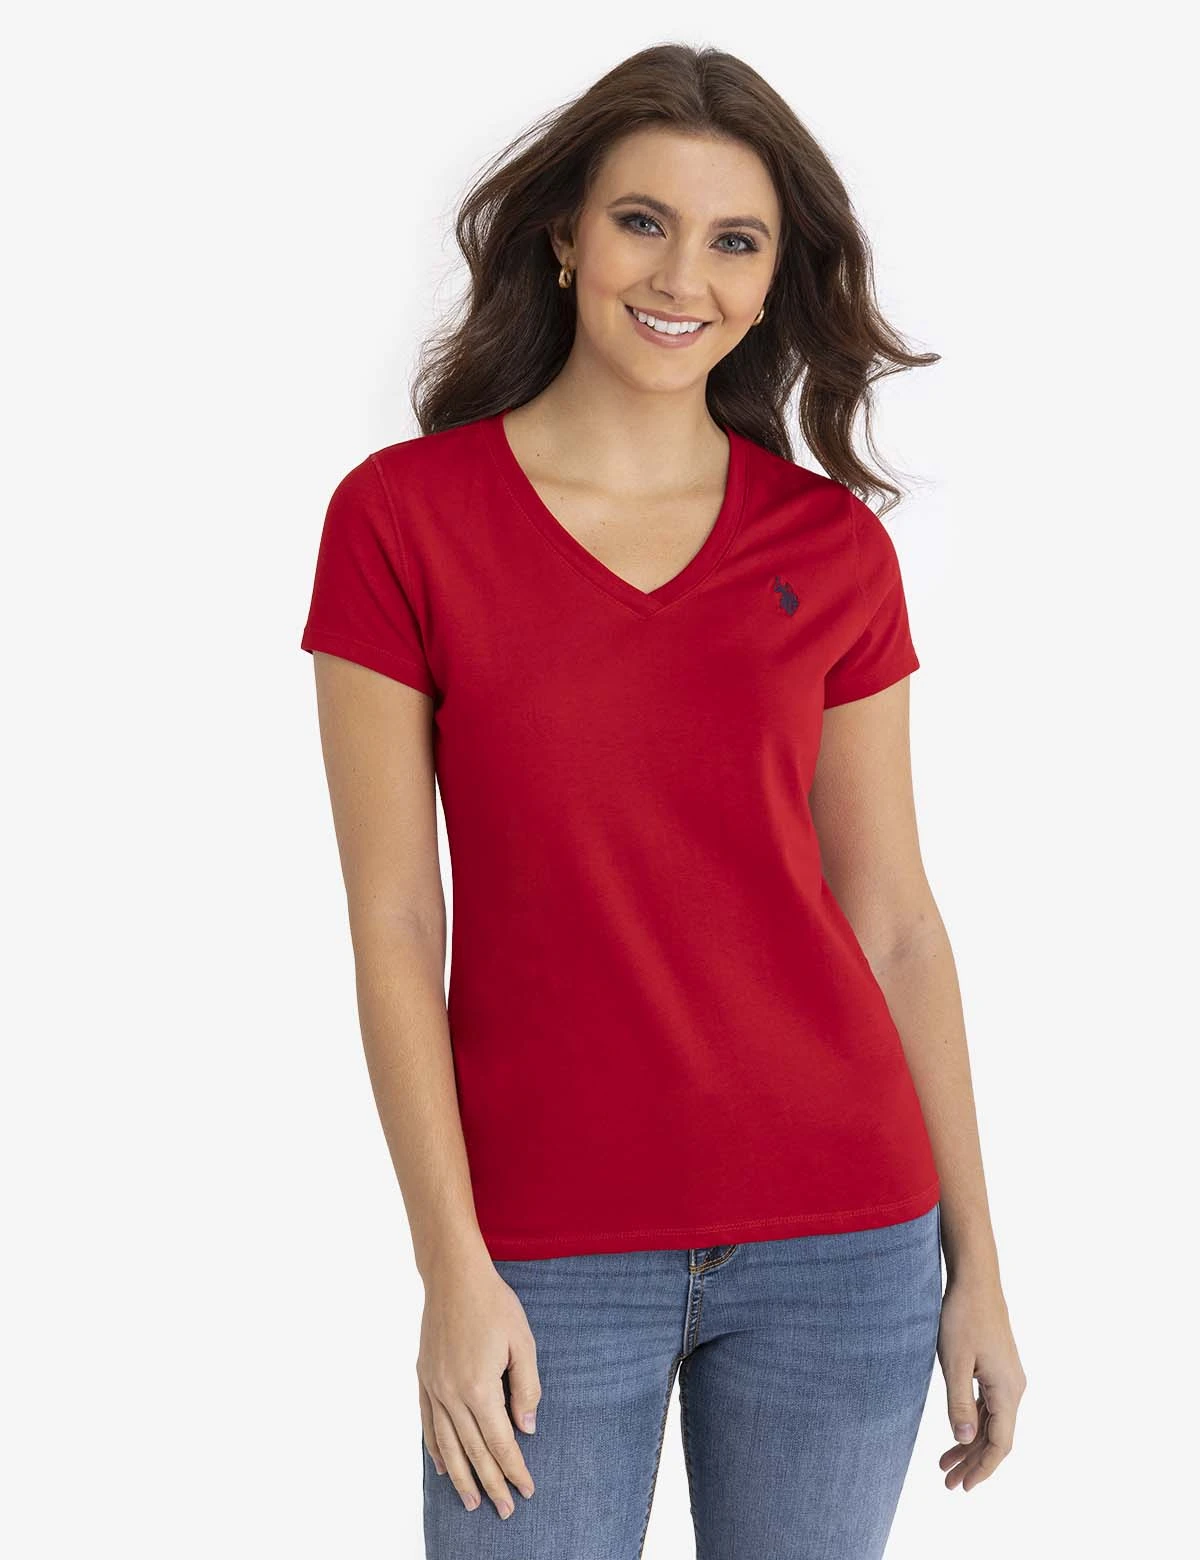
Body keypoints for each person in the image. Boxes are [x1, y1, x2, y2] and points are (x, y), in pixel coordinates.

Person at [299, 41, 1026, 1560]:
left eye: (734, 240)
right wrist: (450, 1265)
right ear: (566, 236)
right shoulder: (403, 522)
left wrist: (979, 1265)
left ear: (771, 285)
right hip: (541, 1251)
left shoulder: (830, 548)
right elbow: (395, 923)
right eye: (644, 220)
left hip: (845, 1238)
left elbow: (894, 920)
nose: (682, 273)